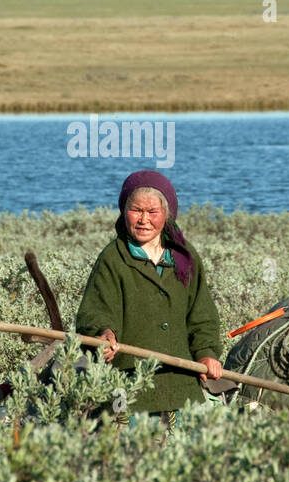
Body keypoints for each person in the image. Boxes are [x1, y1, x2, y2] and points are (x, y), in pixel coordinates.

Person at [75, 171, 224, 431]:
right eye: (136, 210)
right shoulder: (113, 258)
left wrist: (207, 353)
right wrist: (104, 335)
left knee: (187, 461)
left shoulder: (185, 258)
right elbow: (96, 312)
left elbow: (202, 316)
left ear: (166, 215)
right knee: (130, 462)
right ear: (124, 212)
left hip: (181, 383)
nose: (144, 220)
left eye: (152, 212)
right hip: (128, 387)